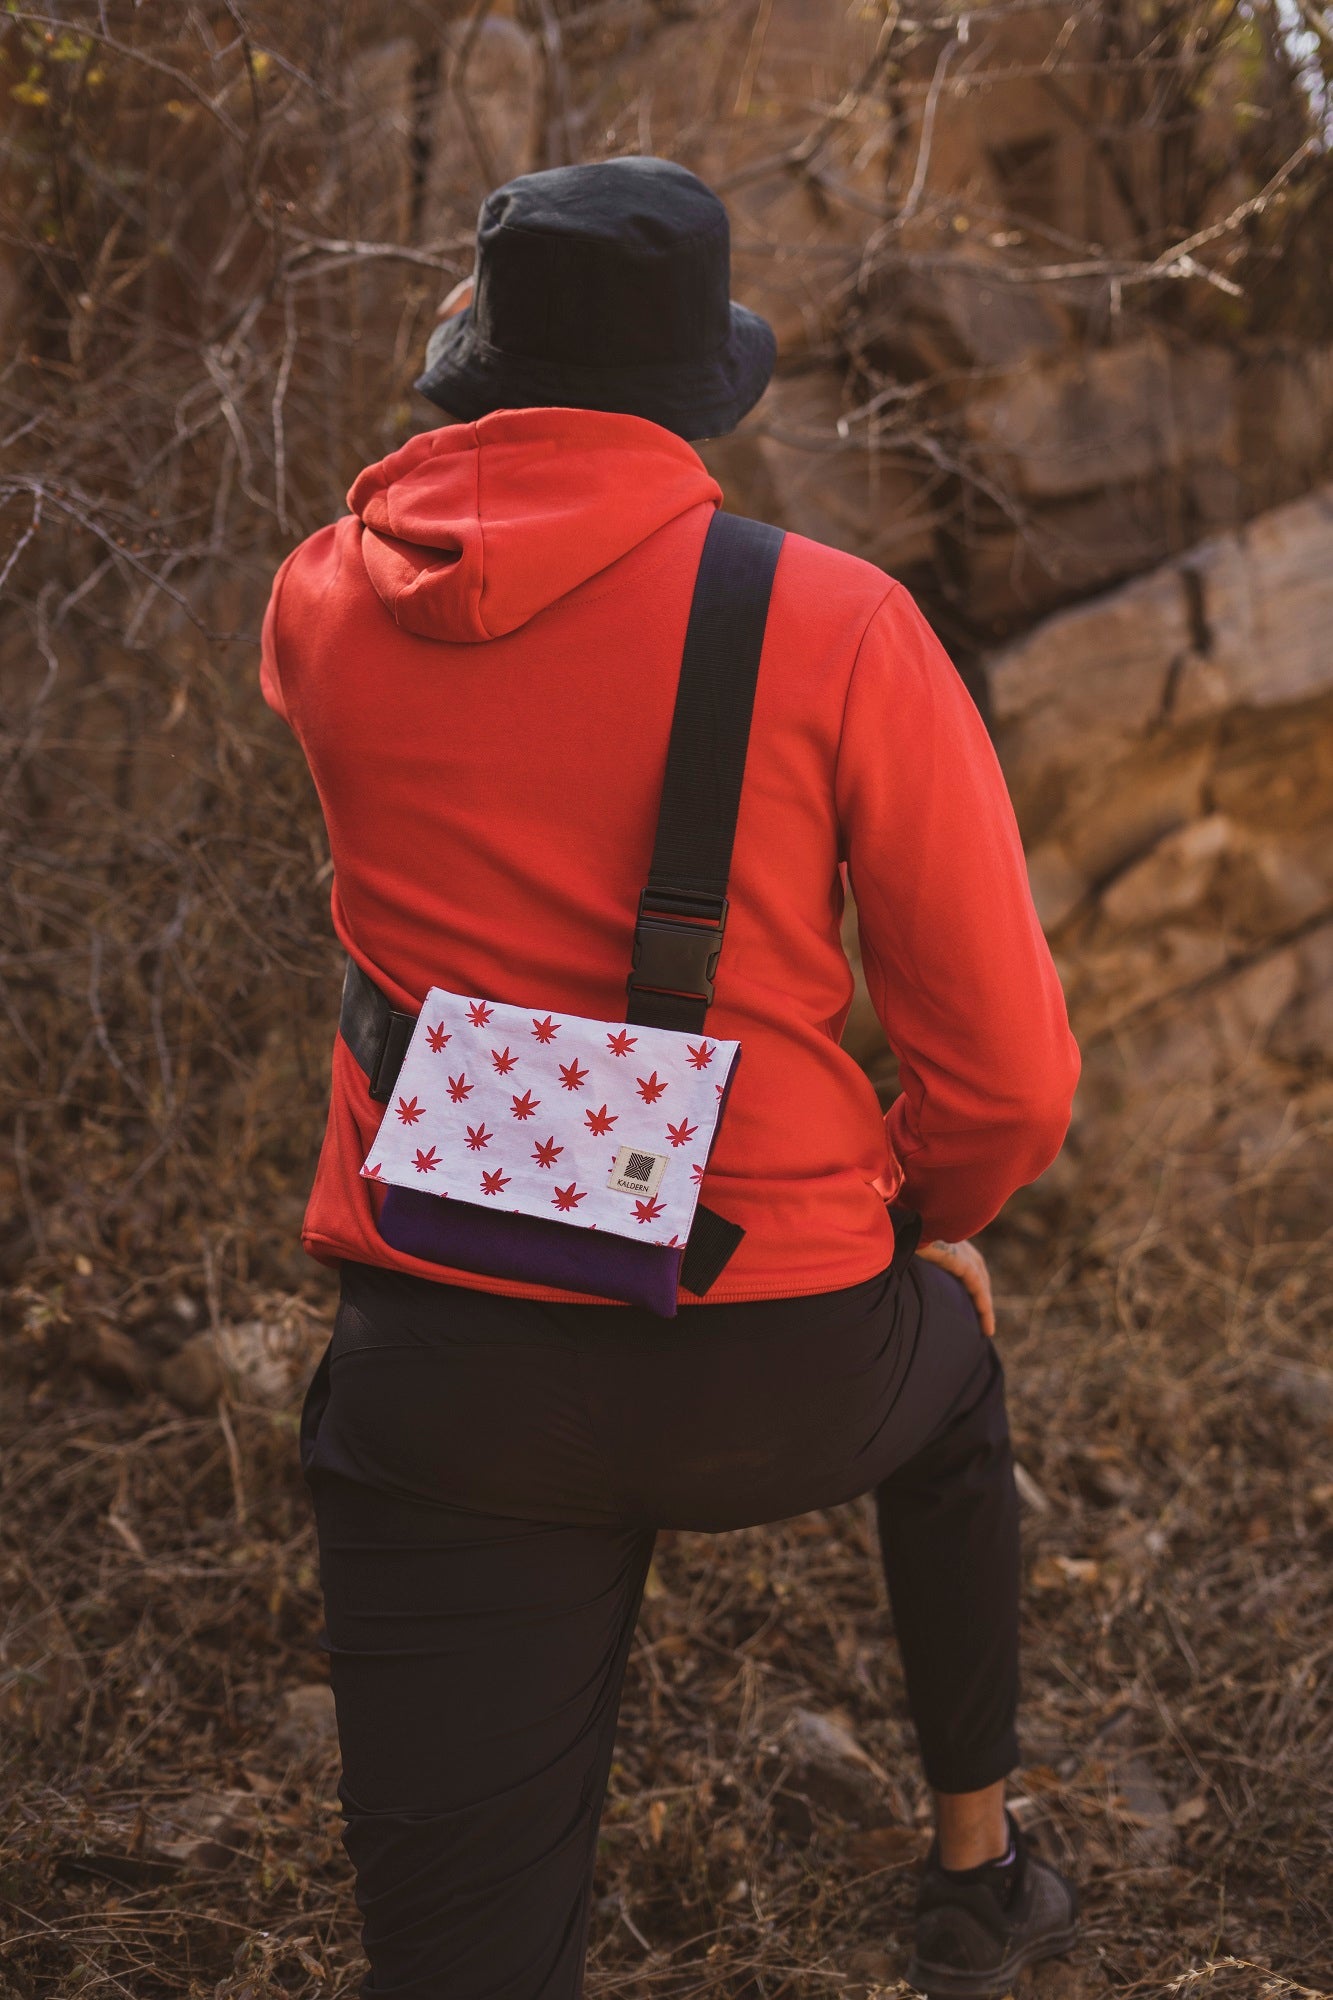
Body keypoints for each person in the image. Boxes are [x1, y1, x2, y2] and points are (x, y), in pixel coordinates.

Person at [259, 155, 1083, 2000]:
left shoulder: (318, 599)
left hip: (444, 1355)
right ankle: (979, 1868)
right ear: (698, 388)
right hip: (775, 1346)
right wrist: (920, 1220)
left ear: (477, 356)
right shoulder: (839, 623)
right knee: (951, 1356)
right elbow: (1010, 1073)